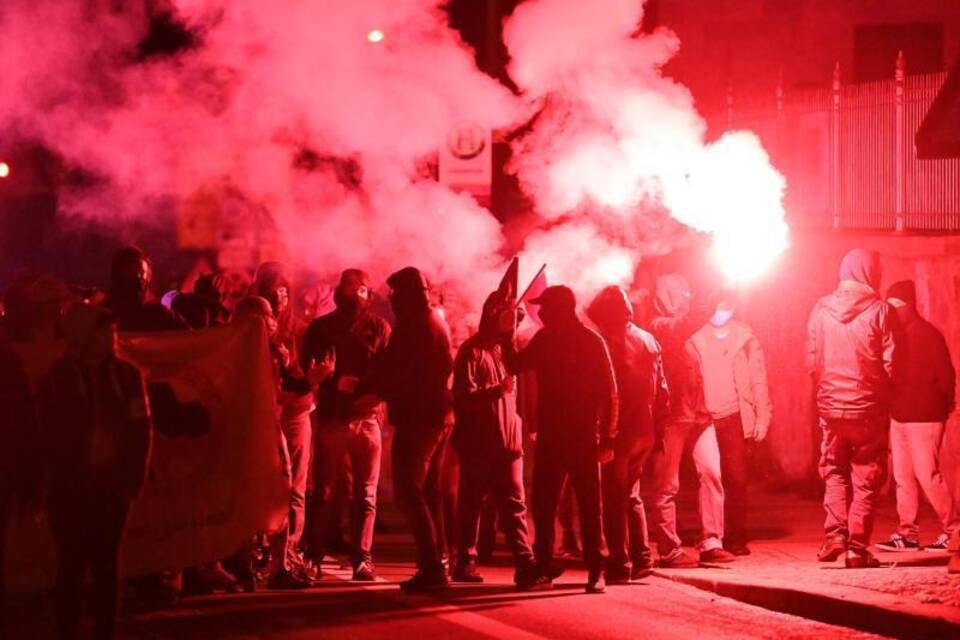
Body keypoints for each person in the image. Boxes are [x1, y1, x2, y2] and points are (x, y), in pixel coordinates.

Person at [37, 302, 153, 640]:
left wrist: (133, 479)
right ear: (81, 336)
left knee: (106, 567)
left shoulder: (126, 376)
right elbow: (45, 434)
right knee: (70, 568)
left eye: (111, 330)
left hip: (111, 489)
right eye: (103, 331)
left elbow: (141, 429)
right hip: (69, 490)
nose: (111, 337)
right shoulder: (57, 379)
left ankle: (106, 632)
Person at [503, 285, 618, 593]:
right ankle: (543, 568)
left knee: (590, 506)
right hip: (552, 434)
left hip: (582, 434)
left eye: (546, 307)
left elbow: (609, 392)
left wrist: (608, 437)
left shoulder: (590, 341)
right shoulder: (546, 339)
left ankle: (596, 569)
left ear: (561, 308)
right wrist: (506, 332)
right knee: (543, 504)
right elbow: (515, 365)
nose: (540, 312)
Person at [451, 287, 546, 589]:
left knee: (515, 506)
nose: (512, 323)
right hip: (478, 443)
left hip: (508, 444)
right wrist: (496, 390)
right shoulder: (472, 351)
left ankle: (525, 563)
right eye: (505, 316)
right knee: (471, 504)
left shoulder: (508, 352)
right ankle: (465, 560)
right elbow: (463, 396)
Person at [300, 269, 391, 581]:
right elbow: (305, 368)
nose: (356, 294)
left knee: (365, 493)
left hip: (367, 419)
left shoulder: (379, 327)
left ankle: (362, 558)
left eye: (362, 289)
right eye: (351, 288)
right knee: (324, 492)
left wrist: (362, 387)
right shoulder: (322, 327)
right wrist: (325, 380)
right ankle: (313, 556)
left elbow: (388, 372)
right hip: (333, 419)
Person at [807, 248, 895, 568]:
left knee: (834, 471)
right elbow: (891, 363)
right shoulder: (881, 311)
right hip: (868, 410)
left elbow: (812, 361)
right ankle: (857, 548)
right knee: (866, 476)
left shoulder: (820, 309)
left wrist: (827, 393)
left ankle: (835, 536)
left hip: (831, 410)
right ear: (870, 272)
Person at [377, 267, 454, 593]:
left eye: (395, 294)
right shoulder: (436, 317)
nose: (392, 299)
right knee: (431, 492)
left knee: (410, 491)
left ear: (406, 293)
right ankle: (440, 560)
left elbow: (396, 370)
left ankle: (432, 565)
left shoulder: (413, 324)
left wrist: (365, 388)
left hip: (419, 417)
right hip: (440, 414)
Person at [649, 274, 733, 566]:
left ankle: (711, 541)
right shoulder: (660, 326)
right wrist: (716, 289)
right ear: (664, 297)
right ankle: (669, 547)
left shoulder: (689, 329)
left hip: (699, 414)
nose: (685, 296)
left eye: (687, 291)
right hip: (673, 417)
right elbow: (685, 325)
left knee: (712, 474)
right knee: (667, 484)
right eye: (679, 293)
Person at [587, 285, 670, 583]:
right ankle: (642, 557)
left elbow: (605, 393)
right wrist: (658, 432)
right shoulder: (649, 340)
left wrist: (604, 434)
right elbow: (662, 390)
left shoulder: (607, 342)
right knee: (631, 494)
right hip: (645, 430)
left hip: (619, 432)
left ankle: (620, 564)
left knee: (613, 497)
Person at [876, 280, 959, 553]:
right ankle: (907, 533)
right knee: (903, 477)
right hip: (899, 416)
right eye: (892, 305)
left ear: (911, 305)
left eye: (900, 305)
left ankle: (954, 531)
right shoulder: (893, 336)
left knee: (927, 476)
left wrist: (942, 407)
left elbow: (946, 376)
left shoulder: (928, 334)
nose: (895, 310)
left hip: (925, 417)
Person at [689, 298, 773, 556]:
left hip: (736, 415)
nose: (721, 312)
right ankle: (712, 536)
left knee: (736, 477)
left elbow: (758, 379)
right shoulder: (696, 338)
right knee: (711, 475)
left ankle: (736, 536)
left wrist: (762, 416)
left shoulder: (744, 338)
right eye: (718, 306)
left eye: (727, 307)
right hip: (706, 418)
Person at [103, 246, 184, 332]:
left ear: (148, 277)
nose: (137, 278)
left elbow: (190, 339)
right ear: (118, 275)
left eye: (142, 273)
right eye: (130, 271)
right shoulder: (102, 315)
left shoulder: (161, 315)